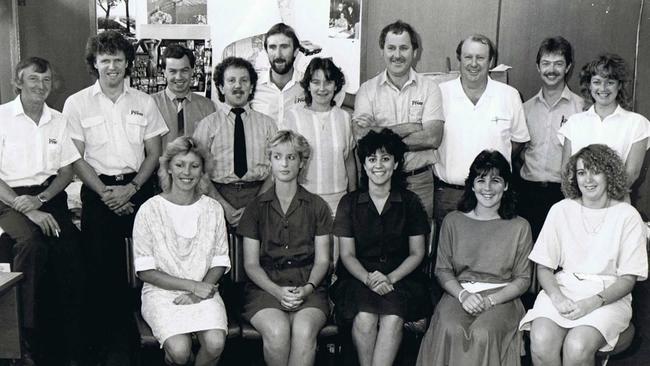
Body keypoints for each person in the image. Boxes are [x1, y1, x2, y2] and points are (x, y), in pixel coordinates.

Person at [63, 30, 168, 359]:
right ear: (94, 63)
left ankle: (144, 348)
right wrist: (108, 193)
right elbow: (75, 158)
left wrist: (132, 189)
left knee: (145, 269)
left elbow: (154, 152)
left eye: (118, 60)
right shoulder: (76, 103)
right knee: (101, 277)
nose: (112, 66)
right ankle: (107, 352)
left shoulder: (144, 102)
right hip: (98, 193)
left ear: (127, 64)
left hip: (139, 190)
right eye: (105, 60)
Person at [520, 144, 648, 365]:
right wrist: (557, 297)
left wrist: (593, 303)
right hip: (563, 290)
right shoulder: (561, 210)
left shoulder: (627, 215)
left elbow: (628, 279)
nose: (588, 179)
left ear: (609, 174)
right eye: (581, 172)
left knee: (576, 346)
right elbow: (543, 267)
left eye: (595, 171)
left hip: (607, 295)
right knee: (541, 341)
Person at [0, 57, 84, 365]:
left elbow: (65, 171)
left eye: (46, 80)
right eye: (34, 79)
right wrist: (29, 209)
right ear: (18, 82)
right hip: (8, 200)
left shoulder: (59, 120)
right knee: (30, 245)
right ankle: (24, 339)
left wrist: (42, 200)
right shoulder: (2, 117)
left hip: (48, 196)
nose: (41, 86)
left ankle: (68, 345)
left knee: (70, 249)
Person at [416, 150, 533, 366]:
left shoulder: (520, 226)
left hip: (502, 297)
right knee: (449, 326)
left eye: (495, 180)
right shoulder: (453, 221)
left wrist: (490, 300)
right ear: (472, 184)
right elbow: (442, 270)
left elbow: (524, 279)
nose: (487, 188)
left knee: (483, 333)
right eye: (481, 180)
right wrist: (463, 296)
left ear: (506, 185)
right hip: (459, 293)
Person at [331, 129, 431, 366]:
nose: (379, 165)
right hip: (357, 278)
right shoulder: (349, 202)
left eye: (386, 159)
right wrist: (369, 279)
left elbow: (418, 253)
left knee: (393, 317)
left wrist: (390, 278)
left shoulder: (410, 202)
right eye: (372, 159)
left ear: (396, 164)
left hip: (402, 279)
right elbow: (346, 254)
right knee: (364, 317)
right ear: (364, 165)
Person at [237, 130, 332, 366]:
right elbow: (250, 264)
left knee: (304, 330)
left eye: (291, 157)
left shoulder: (317, 206)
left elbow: (322, 261)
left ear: (302, 162)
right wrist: (277, 291)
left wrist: (308, 289)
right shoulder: (255, 208)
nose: (285, 163)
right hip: (265, 288)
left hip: (309, 286)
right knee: (278, 332)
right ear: (270, 161)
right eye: (278, 156)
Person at [133, 136, 230, 366]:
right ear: (168, 168)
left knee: (215, 344)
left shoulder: (213, 208)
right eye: (179, 165)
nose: (187, 172)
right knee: (179, 351)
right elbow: (146, 271)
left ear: (203, 171)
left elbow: (219, 260)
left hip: (205, 290)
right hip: (161, 294)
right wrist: (191, 286)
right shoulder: (149, 210)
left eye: (194, 166)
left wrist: (198, 291)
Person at [435, 34, 530, 228]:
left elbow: (519, 141)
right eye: (468, 57)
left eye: (480, 58)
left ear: (491, 61)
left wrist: (490, 168)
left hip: (493, 196)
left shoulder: (509, 95)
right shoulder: (439, 93)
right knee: (448, 255)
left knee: (493, 256)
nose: (473, 63)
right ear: (459, 59)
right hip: (450, 196)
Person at [353, 20, 445, 220]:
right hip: (377, 180)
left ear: (415, 52)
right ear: (382, 51)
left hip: (419, 180)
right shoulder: (367, 90)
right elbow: (361, 138)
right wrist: (409, 127)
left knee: (420, 242)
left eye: (404, 48)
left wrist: (379, 132)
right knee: (382, 242)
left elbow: (432, 139)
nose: (397, 55)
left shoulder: (430, 88)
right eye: (391, 48)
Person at [193, 57, 277, 227]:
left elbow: (275, 170)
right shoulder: (207, 125)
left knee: (258, 252)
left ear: (251, 87)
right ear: (221, 87)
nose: (238, 86)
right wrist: (223, 207)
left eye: (244, 80)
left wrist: (256, 205)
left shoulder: (268, 124)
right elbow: (197, 170)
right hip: (217, 195)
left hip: (260, 195)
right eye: (231, 80)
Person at [518, 36, 584, 239]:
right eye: (546, 63)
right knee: (525, 255)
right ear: (538, 67)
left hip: (563, 193)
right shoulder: (524, 109)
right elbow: (518, 150)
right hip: (527, 192)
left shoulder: (581, 109)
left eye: (558, 64)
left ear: (568, 67)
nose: (551, 70)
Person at [559, 53, 650, 192]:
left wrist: (600, 201)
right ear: (589, 85)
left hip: (616, 204)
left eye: (610, 82)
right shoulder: (574, 123)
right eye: (597, 82)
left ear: (619, 85)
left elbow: (631, 174)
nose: (603, 88)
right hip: (580, 203)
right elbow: (566, 172)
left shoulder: (638, 124)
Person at [282, 57, 356, 214]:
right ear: (308, 85)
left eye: (328, 82)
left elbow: (348, 159)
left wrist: (353, 197)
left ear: (336, 86)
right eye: (316, 82)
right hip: (304, 202)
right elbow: (285, 162)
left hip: (340, 202)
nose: (322, 88)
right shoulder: (293, 117)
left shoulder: (344, 117)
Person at [250, 23, 344, 124]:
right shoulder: (252, 87)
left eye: (284, 47)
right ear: (267, 51)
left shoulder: (310, 83)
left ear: (296, 51)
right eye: (272, 47)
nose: (278, 54)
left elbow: (348, 99)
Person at [151, 44, 216, 148]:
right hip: (160, 164)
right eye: (172, 71)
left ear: (192, 70)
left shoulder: (208, 107)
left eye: (184, 70)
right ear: (164, 72)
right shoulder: (150, 104)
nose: (179, 77)